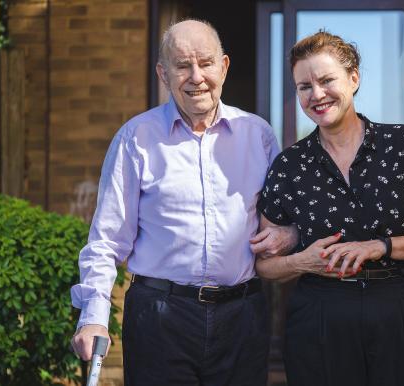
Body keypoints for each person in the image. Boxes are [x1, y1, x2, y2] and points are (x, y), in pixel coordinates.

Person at [70, 19, 297, 386]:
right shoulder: (135, 138)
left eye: (206, 63)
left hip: (242, 317)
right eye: (182, 65)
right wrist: (93, 316)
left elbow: (286, 220)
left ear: (223, 66)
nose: (196, 77)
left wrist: (288, 235)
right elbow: (106, 242)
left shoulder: (259, 135)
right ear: (163, 73)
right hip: (160, 317)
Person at [255, 31, 404, 386]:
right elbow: (265, 265)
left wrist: (380, 246)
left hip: (398, 311)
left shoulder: (403, 145)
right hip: (319, 316)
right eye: (304, 86)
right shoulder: (289, 165)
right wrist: (303, 261)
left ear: (354, 78)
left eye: (326, 80)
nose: (316, 94)